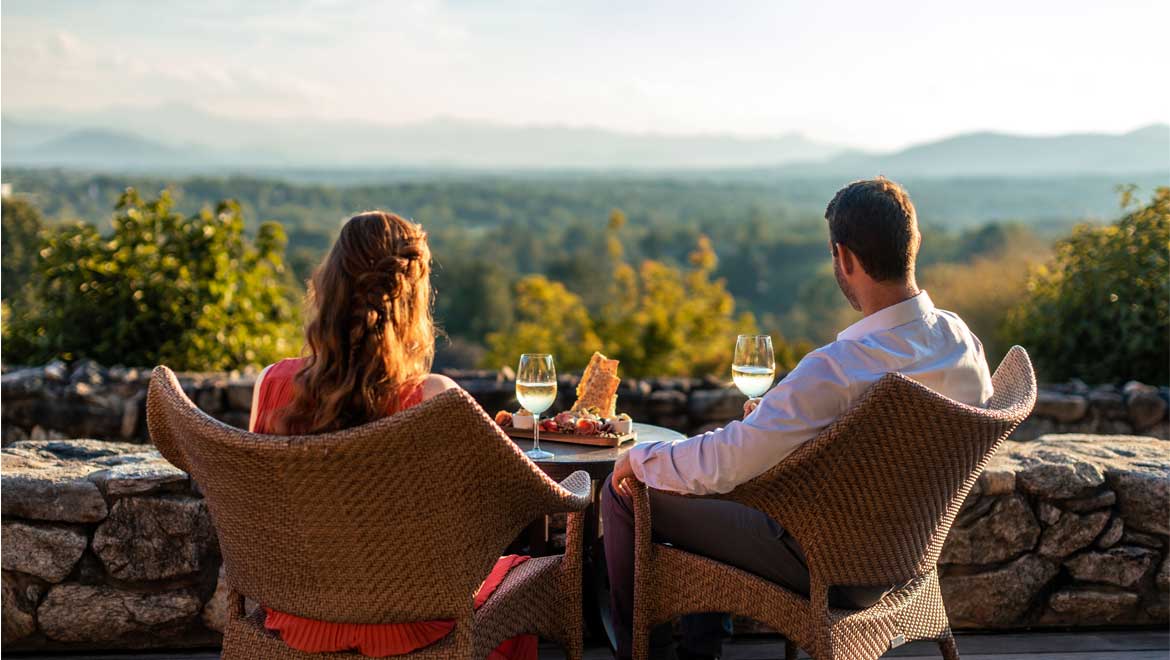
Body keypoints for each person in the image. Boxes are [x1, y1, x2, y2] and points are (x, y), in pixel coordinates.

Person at [602, 177, 995, 660]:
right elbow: (888, 443)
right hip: (904, 562)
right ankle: (699, 650)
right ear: (913, 245)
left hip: (822, 562)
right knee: (694, 476)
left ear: (844, 258)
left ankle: (642, 653)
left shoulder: (839, 367)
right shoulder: (961, 341)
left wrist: (640, 459)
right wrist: (786, 430)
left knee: (628, 492)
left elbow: (727, 462)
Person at [248, 211, 537, 660]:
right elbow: (487, 511)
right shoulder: (434, 397)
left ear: (329, 284)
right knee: (524, 573)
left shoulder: (270, 384)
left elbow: (263, 510)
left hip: (298, 617)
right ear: (413, 299)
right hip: (410, 626)